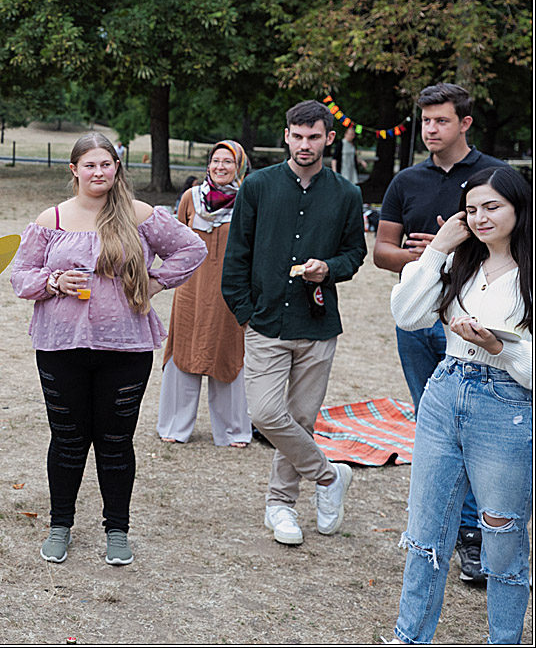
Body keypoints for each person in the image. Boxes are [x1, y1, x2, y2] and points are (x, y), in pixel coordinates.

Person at [11, 132, 206, 566]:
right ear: (74, 170)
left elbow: (192, 248)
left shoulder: (139, 215)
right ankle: (60, 525)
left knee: (115, 441)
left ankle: (117, 530)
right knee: (67, 439)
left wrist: (153, 283)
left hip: (126, 347)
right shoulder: (53, 219)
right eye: (90, 165)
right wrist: (54, 282)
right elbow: (20, 277)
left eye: (106, 164)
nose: (98, 172)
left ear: (117, 168)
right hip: (61, 346)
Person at [387, 166, 532, 644]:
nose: (480, 218)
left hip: (507, 405)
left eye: (492, 207)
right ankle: (410, 637)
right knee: (425, 531)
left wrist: (500, 348)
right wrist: (436, 250)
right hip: (445, 391)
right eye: (472, 210)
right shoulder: (457, 262)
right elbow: (408, 316)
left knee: (502, 535)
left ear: (519, 208)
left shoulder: (528, 273)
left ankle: (505, 639)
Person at [374, 82, 509, 585]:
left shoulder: (495, 176)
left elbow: (517, 243)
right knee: (434, 429)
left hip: (477, 324)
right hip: (417, 319)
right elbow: (381, 251)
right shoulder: (406, 180)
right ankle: (439, 531)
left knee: (477, 431)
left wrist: (457, 246)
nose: (430, 130)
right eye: (425, 121)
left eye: (441, 121)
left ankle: (474, 539)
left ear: (465, 123)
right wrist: (426, 256)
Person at [221, 100, 367, 547]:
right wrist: (246, 313)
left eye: (315, 137)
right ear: (286, 136)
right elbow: (237, 255)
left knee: (301, 420)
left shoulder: (346, 194)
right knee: (265, 414)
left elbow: (354, 254)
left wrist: (331, 268)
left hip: (318, 325)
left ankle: (280, 505)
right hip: (265, 323)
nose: (306, 145)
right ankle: (328, 477)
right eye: (298, 136)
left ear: (327, 139)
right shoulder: (259, 186)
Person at [158, 141, 251, 447]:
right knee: (184, 351)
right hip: (191, 290)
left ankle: (233, 431)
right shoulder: (191, 198)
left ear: (239, 166)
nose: (220, 167)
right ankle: (175, 426)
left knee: (227, 354)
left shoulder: (247, 201)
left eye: (228, 162)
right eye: (216, 161)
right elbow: (175, 240)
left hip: (229, 291)